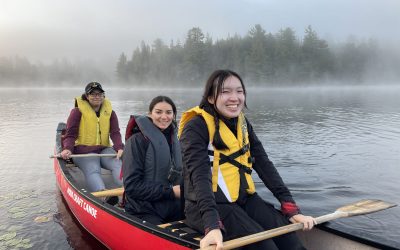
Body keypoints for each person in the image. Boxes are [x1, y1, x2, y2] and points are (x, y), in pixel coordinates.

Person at [178, 70, 316, 250]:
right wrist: (212, 225)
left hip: (244, 200)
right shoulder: (196, 126)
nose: (234, 98)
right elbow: (199, 178)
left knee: (289, 238)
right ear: (211, 98)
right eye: (225, 92)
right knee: (265, 247)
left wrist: (290, 207)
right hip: (207, 208)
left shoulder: (242, 123)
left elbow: (264, 165)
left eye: (239, 91)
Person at [122, 96, 183, 225]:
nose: (164, 117)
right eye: (158, 112)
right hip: (143, 208)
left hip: (172, 205)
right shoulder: (136, 141)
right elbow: (131, 186)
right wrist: (171, 192)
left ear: (174, 115)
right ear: (150, 114)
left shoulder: (175, 140)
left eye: (168, 112)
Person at [60, 82, 124, 195]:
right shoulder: (77, 112)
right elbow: (70, 135)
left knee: (117, 164)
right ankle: (103, 196)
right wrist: (68, 149)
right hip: (83, 150)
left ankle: (128, 191)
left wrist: (119, 147)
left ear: (103, 96)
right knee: (93, 169)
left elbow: (115, 132)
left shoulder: (110, 112)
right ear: (87, 96)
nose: (96, 97)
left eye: (99, 94)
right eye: (93, 94)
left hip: (103, 150)